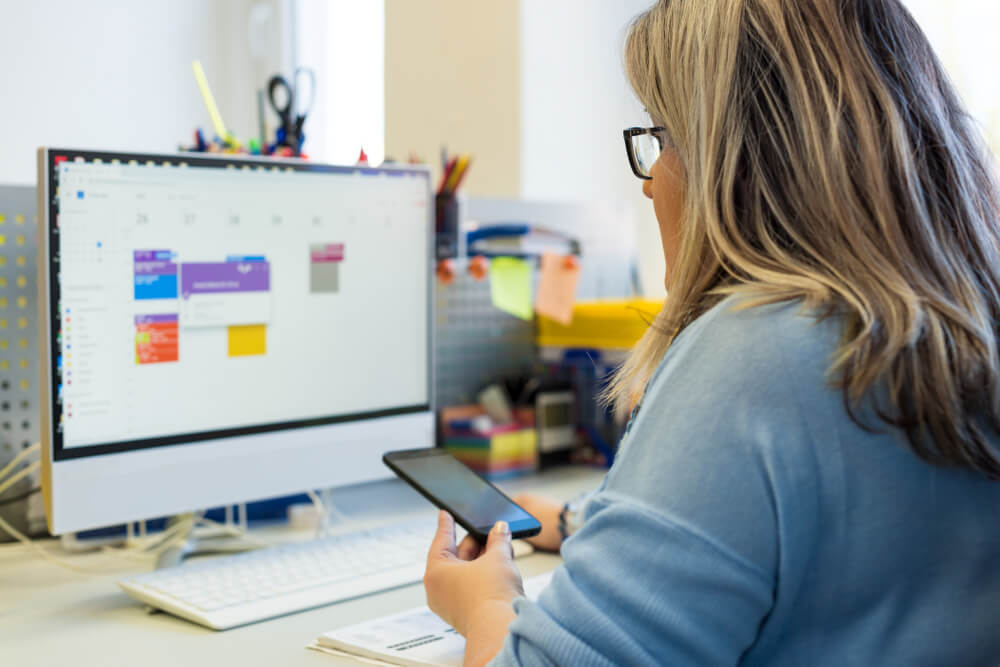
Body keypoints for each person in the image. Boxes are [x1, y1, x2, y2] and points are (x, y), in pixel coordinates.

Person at [425, 0, 1000, 664]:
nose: (650, 184)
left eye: (661, 139)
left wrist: (486, 601)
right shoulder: (953, 330)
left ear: (736, 156)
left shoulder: (758, 350)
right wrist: (583, 520)